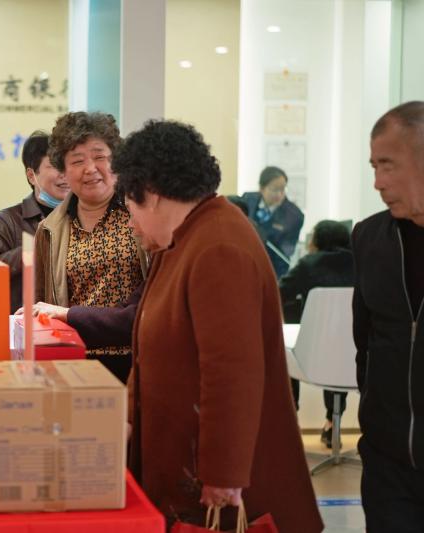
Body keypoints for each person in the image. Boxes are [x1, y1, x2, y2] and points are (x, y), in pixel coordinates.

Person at [116, 119, 322, 531]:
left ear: (151, 195)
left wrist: (224, 473)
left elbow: (232, 370)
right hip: (183, 464)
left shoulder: (219, 246)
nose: (131, 223)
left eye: (130, 207)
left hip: (219, 484)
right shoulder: (182, 240)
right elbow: (152, 348)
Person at [32, 112, 148, 383]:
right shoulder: (50, 229)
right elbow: (43, 302)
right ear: (63, 170)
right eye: (77, 161)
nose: (90, 168)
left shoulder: (143, 214)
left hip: (138, 360)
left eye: (99, 156)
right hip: (75, 363)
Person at [353, 100, 424, 531]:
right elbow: (365, 343)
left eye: (388, 165)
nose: (378, 181)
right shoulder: (369, 238)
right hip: (388, 466)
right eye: (373, 166)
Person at [279, 220, 353, 448]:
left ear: (318, 241)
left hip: (313, 357)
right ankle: (332, 422)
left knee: (285, 350)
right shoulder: (362, 263)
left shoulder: (309, 264)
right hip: (354, 359)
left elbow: (279, 292)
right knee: (340, 350)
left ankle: (291, 420)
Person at [0, 131, 69, 313]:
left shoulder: (82, 217)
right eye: (55, 166)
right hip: (22, 323)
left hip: (71, 322)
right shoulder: (8, 220)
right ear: (31, 175)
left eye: (68, 165)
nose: (65, 174)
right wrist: (33, 248)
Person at [242, 166, 304, 277]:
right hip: (245, 262)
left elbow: (285, 253)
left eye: (283, 189)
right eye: (275, 190)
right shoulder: (247, 200)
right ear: (261, 188)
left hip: (273, 269)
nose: (279, 195)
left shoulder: (294, 216)